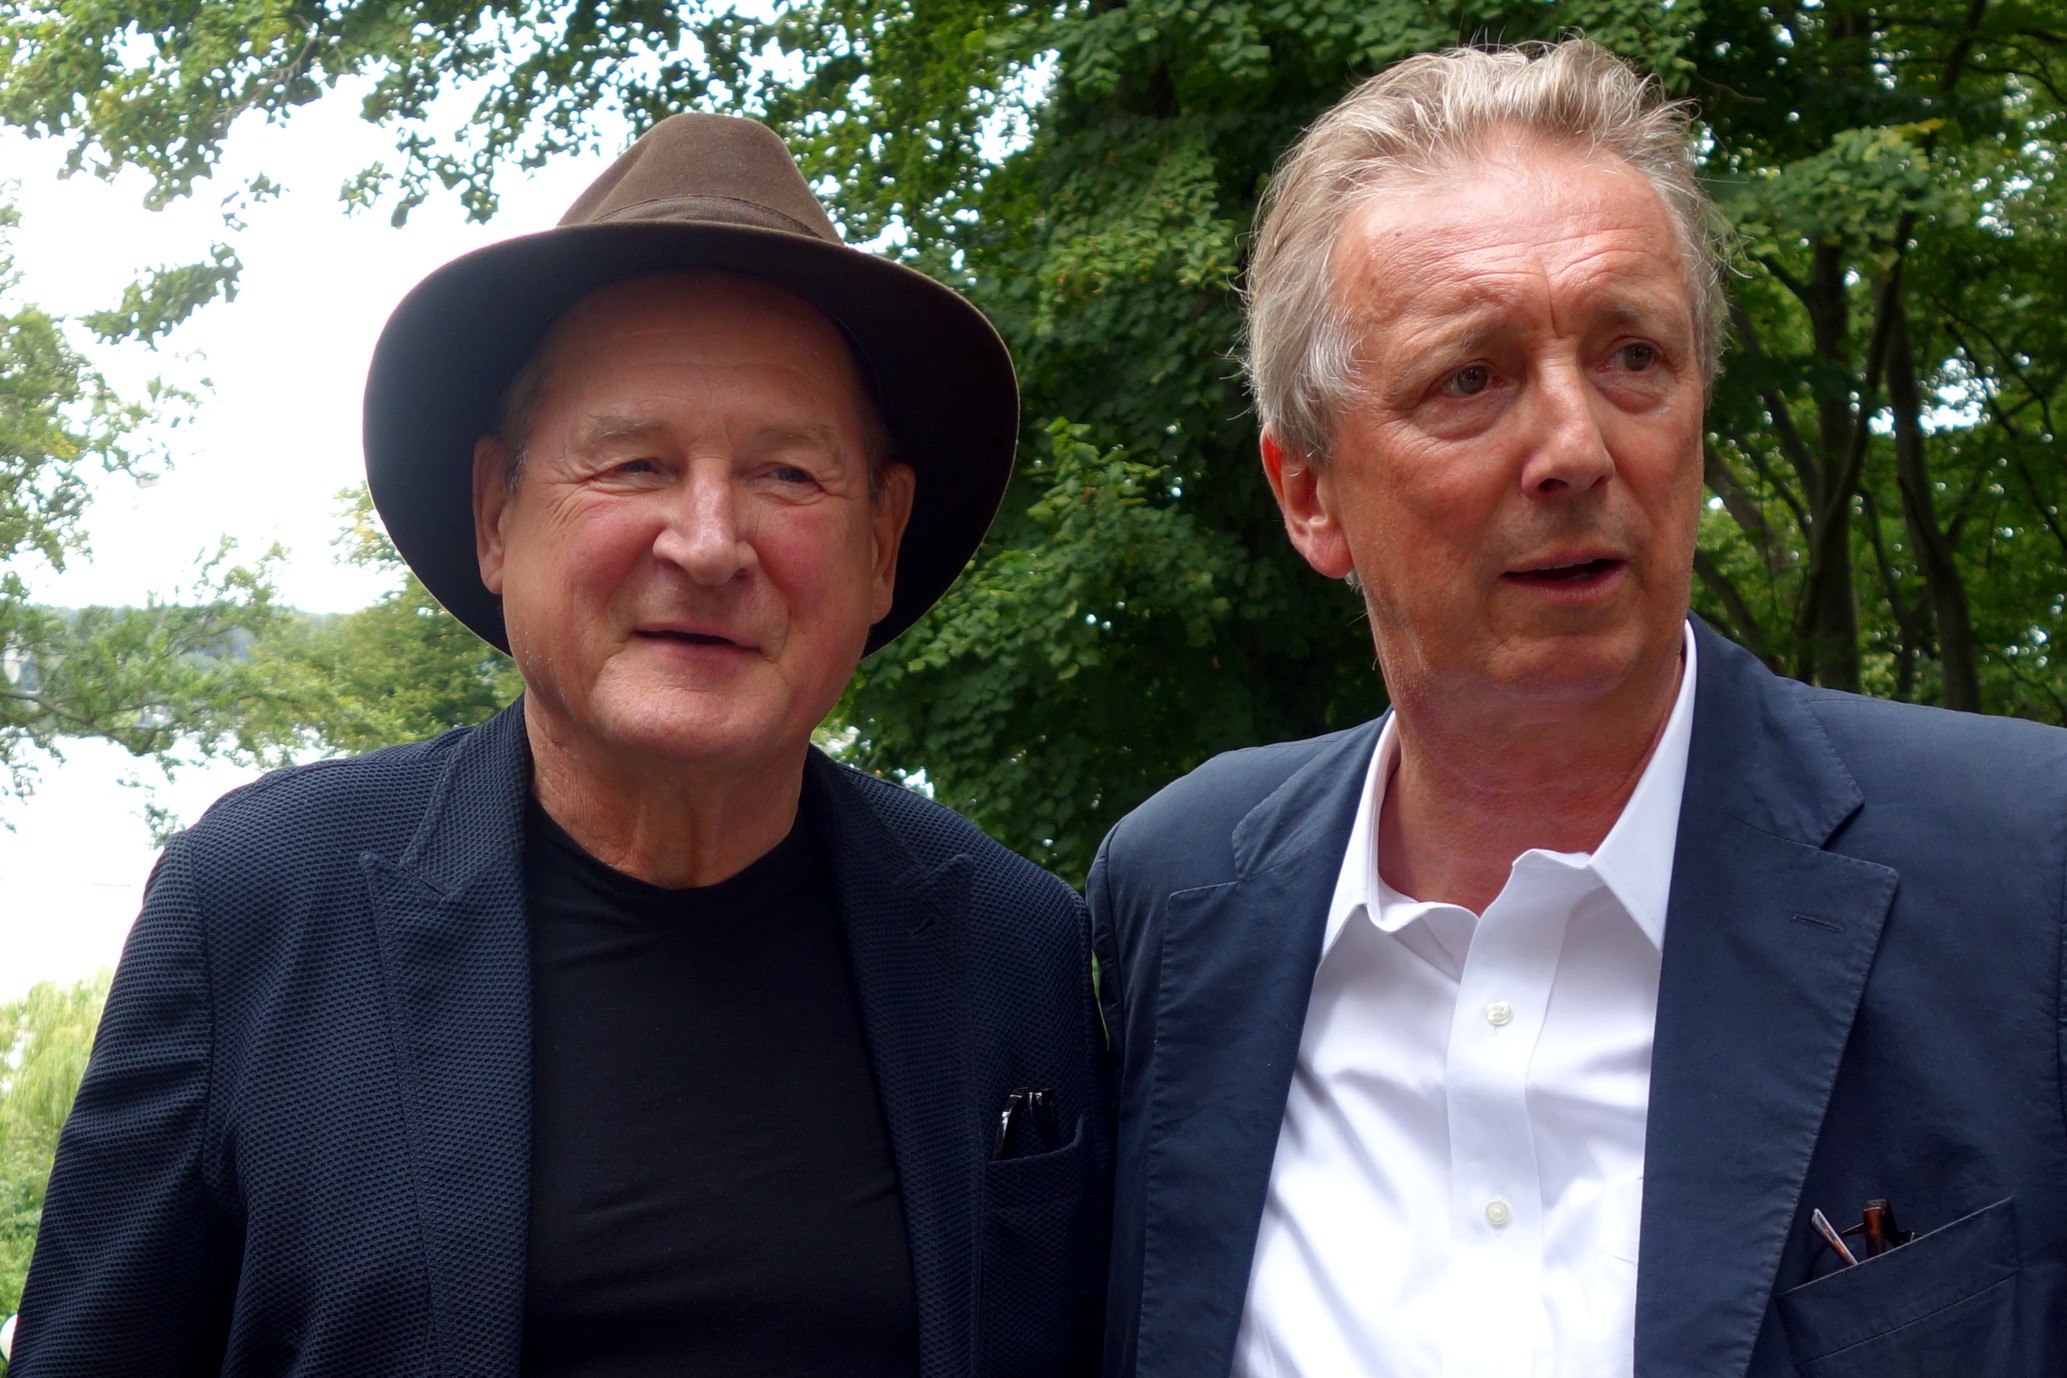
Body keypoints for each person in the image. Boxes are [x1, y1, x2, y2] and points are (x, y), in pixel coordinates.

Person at [13, 114, 1108, 1378]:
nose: (709, 541)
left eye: (789, 476)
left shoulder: (1010, 948)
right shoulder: (260, 906)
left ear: (882, 542)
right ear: (497, 513)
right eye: (634, 463)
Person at [1089, 40, 2065, 1378]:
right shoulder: (1181, 891)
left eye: (1631, 356)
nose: (1574, 448)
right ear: (1309, 494)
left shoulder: (2022, 868)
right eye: (1468, 377)